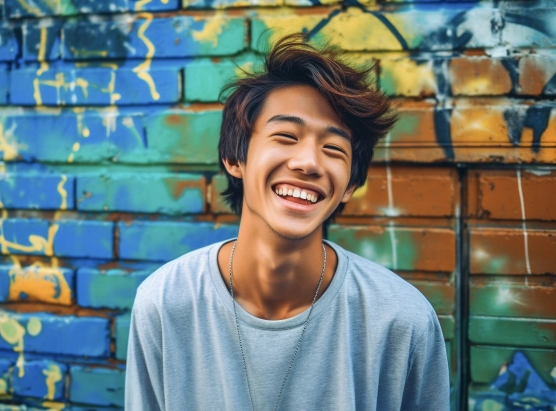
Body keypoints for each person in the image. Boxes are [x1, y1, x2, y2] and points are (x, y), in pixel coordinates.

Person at [125, 34, 450, 410]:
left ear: (350, 185)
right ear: (235, 158)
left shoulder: (403, 323)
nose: (309, 163)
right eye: (285, 136)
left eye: (333, 149)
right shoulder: (165, 303)